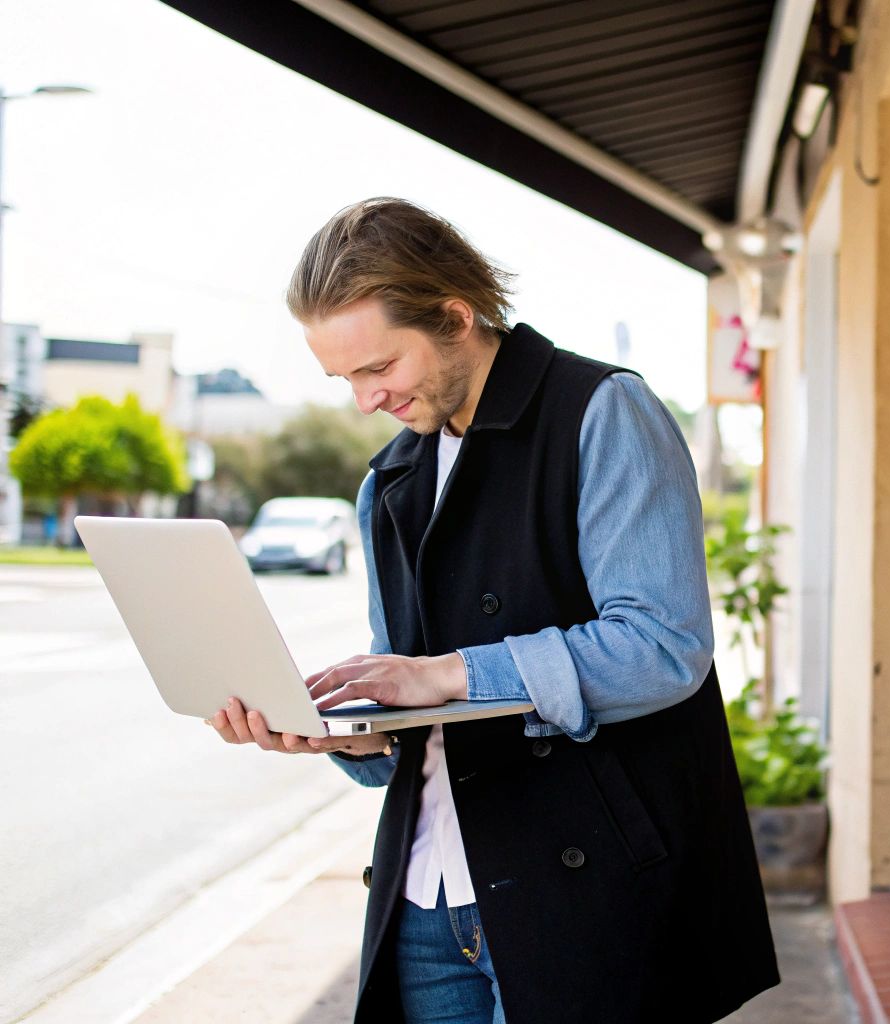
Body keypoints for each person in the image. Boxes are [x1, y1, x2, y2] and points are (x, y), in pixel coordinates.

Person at [205, 197, 779, 1023]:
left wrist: (445, 675)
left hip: (581, 899)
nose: (367, 400)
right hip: (422, 905)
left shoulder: (601, 412)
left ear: (454, 315)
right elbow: (407, 731)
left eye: (380, 368)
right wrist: (339, 732)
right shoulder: (388, 483)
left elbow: (663, 646)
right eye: (345, 380)